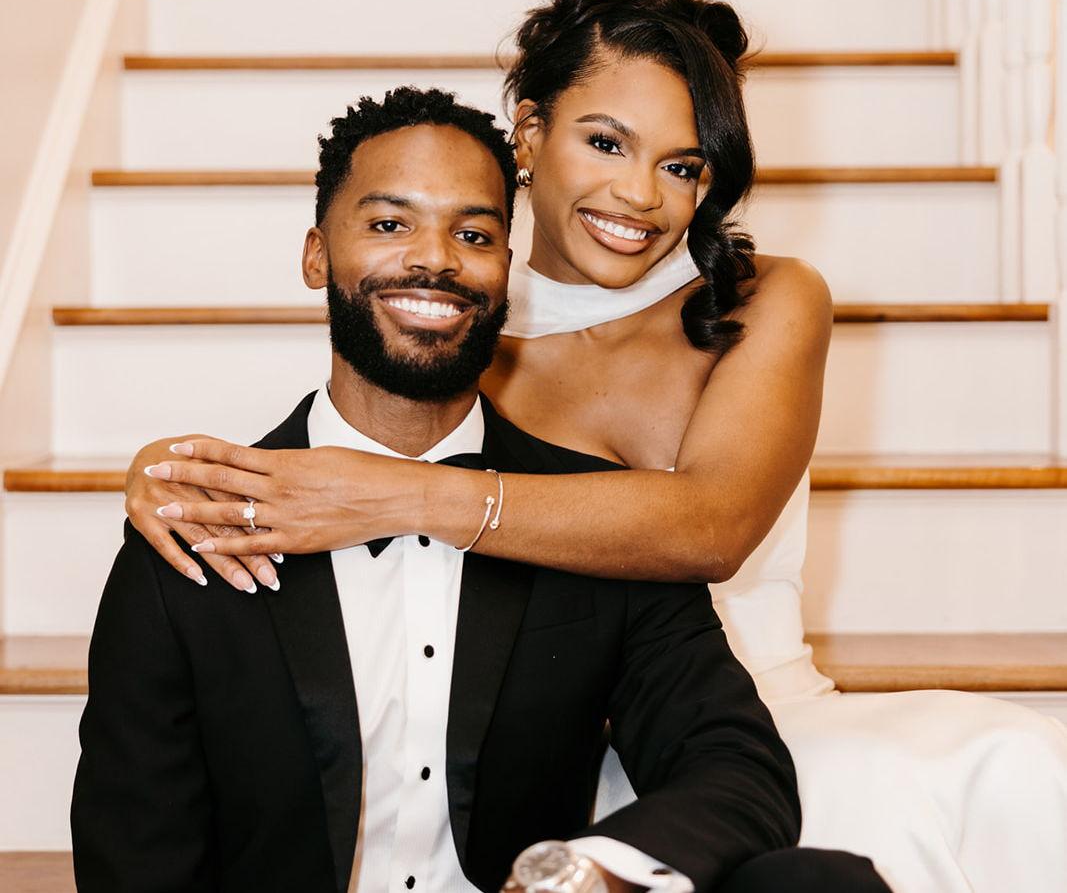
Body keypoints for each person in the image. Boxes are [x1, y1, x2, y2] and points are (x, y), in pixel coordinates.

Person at [124, 0, 1067, 893]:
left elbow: (710, 527)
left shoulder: (765, 300)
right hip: (539, 761)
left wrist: (404, 495)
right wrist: (166, 471)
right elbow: (344, 436)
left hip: (735, 725)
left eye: (682, 166)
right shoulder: (453, 322)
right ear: (529, 133)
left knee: (993, 781)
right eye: (607, 142)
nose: (640, 196)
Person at [71, 88, 891, 893]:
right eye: (389, 225)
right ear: (317, 254)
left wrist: (578, 876)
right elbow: (136, 849)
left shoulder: (594, 520)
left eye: (473, 233)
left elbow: (735, 767)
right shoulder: (200, 524)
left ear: (505, 270)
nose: (434, 258)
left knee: (819, 883)